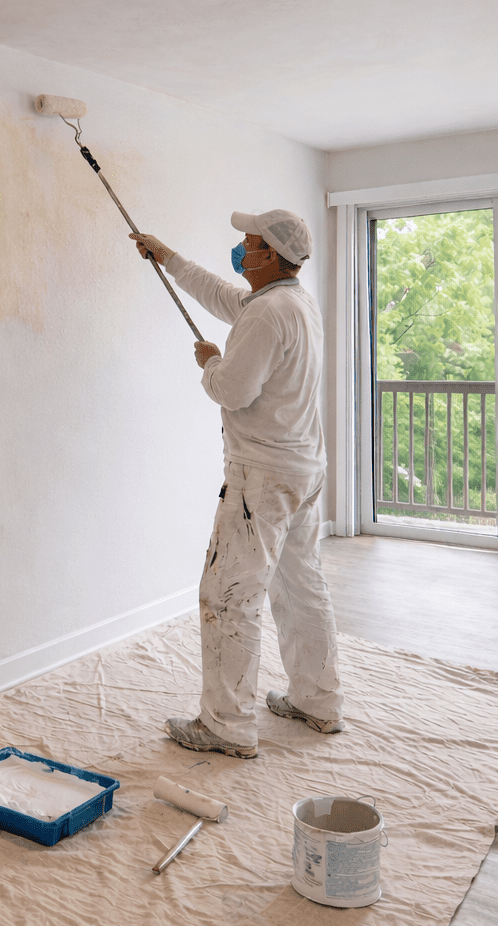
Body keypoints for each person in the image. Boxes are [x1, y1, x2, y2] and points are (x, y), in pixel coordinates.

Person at [130, 209, 344, 759]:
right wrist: (168, 257)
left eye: (248, 244)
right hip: (303, 470)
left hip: (262, 480)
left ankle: (225, 725)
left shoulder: (268, 314)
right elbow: (227, 298)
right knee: (300, 587)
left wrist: (210, 361)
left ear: (269, 255)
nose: (241, 250)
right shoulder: (292, 302)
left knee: (227, 595)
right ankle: (317, 702)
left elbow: (231, 391)